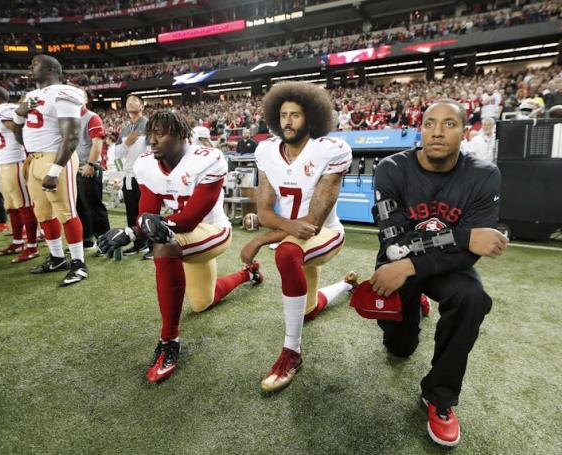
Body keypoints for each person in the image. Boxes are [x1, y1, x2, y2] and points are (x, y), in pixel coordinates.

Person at [369, 99, 508, 446]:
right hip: (399, 264)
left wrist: (412, 263)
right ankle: (415, 304)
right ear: (421, 128)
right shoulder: (391, 169)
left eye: (449, 124)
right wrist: (463, 236)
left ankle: (440, 396)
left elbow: (469, 257)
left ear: (465, 131)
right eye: (430, 123)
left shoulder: (484, 175)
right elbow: (393, 244)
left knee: (472, 296)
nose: (437, 132)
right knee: (399, 349)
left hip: (433, 267)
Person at [97, 111, 263, 383]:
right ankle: (249, 273)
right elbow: (146, 213)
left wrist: (138, 230)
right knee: (202, 303)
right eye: (150, 134)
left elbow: (188, 220)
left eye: (159, 134)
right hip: (182, 234)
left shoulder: (208, 160)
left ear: (182, 135)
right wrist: (134, 230)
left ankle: (169, 341)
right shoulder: (148, 164)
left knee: (164, 247)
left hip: (213, 231)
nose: (152, 141)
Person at [246, 82, 355, 393]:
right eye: (283, 115)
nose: (288, 121)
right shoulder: (266, 151)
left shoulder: (329, 151)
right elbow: (264, 212)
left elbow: (313, 224)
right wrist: (280, 229)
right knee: (305, 311)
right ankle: (347, 284)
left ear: (312, 118)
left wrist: (259, 240)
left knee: (285, 254)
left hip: (326, 234)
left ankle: (291, 352)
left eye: (296, 115)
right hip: (294, 235)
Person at [12, 54, 87, 286]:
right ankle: (56, 257)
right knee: (43, 213)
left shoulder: (64, 92)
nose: (29, 67)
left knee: (66, 211)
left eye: (35, 64)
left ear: (51, 69)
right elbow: (18, 136)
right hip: (33, 159)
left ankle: (78, 264)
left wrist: (55, 170)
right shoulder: (31, 96)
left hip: (56, 158)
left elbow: (72, 135)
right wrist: (18, 113)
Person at [0, 85, 40, 262]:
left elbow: (17, 126)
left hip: (15, 161)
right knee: (11, 206)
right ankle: (17, 241)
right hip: (4, 163)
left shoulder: (4, 109)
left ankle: (32, 246)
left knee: (24, 205)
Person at [114, 95, 149, 257]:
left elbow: (152, 151)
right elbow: (116, 153)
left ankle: (152, 243)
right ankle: (138, 242)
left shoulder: (148, 125)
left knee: (146, 211)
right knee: (131, 211)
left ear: (142, 106)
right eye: (128, 101)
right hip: (129, 176)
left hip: (144, 175)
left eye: (135, 100)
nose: (130, 103)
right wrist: (127, 142)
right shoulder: (125, 130)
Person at [75, 90, 110, 249]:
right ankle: (86, 239)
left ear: (85, 99)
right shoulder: (69, 118)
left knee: (93, 206)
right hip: (74, 167)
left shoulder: (91, 117)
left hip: (87, 166)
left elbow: (97, 143)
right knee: (79, 206)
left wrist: (91, 164)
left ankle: (105, 241)